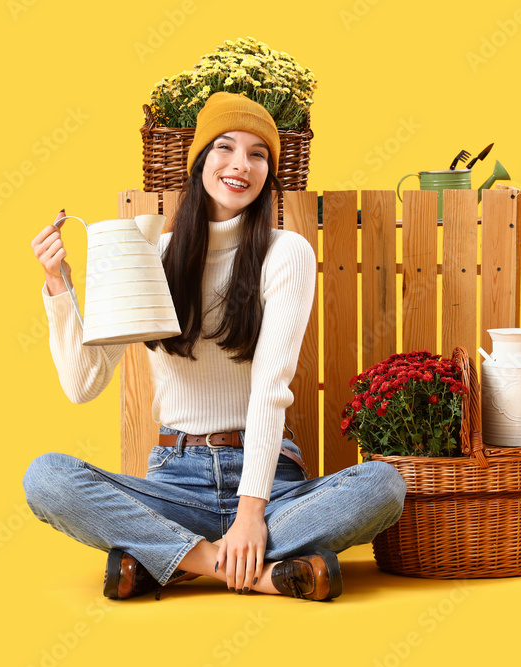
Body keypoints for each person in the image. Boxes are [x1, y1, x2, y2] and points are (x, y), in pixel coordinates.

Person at [23, 92, 406, 601]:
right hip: (175, 482)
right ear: (200, 160)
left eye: (258, 154)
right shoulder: (152, 255)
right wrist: (58, 286)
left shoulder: (285, 253)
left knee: (383, 485)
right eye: (225, 147)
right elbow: (82, 384)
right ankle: (243, 570)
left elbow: (271, 390)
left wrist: (251, 512)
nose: (240, 165)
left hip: (272, 487)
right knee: (46, 477)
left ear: (269, 173)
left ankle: (168, 559)